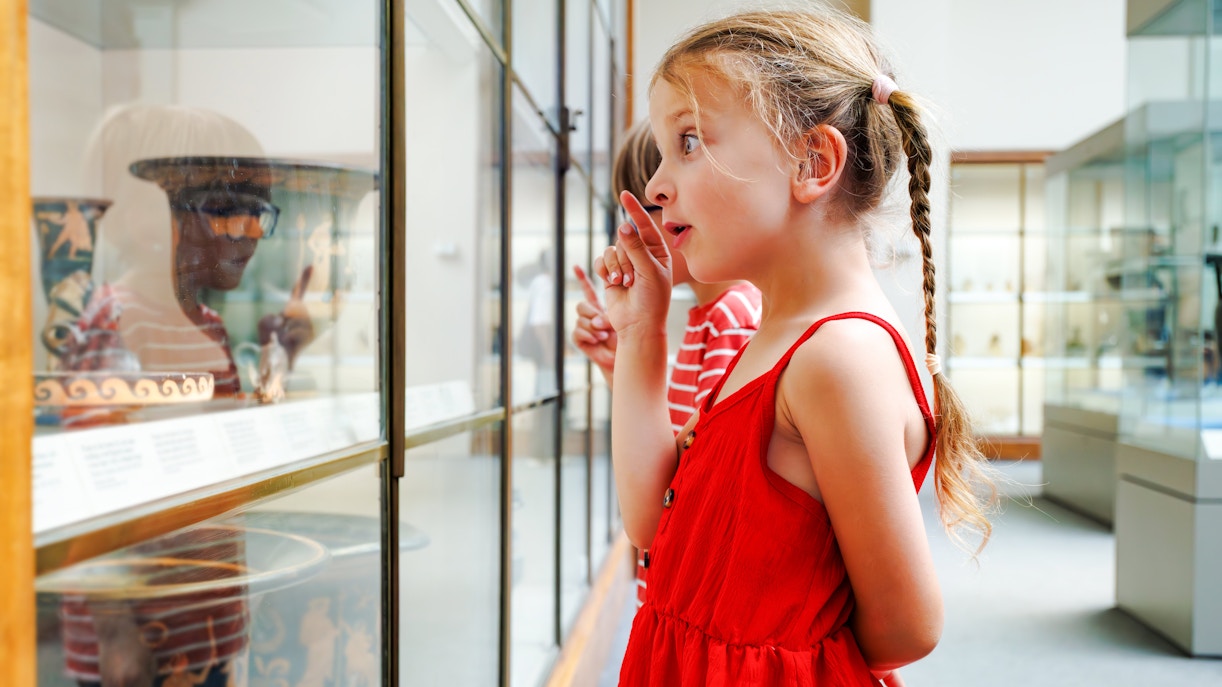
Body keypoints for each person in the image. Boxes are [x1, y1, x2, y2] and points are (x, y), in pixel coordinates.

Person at [594, 8, 996, 685]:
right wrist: (641, 335)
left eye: (688, 142)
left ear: (813, 163)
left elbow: (908, 623)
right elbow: (653, 527)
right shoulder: (774, 338)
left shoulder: (836, 359)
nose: (656, 186)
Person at [572, 118, 762, 608]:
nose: (630, 236)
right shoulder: (714, 316)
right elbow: (675, 448)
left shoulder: (731, 320)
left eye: (644, 212)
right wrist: (620, 367)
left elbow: (681, 498)